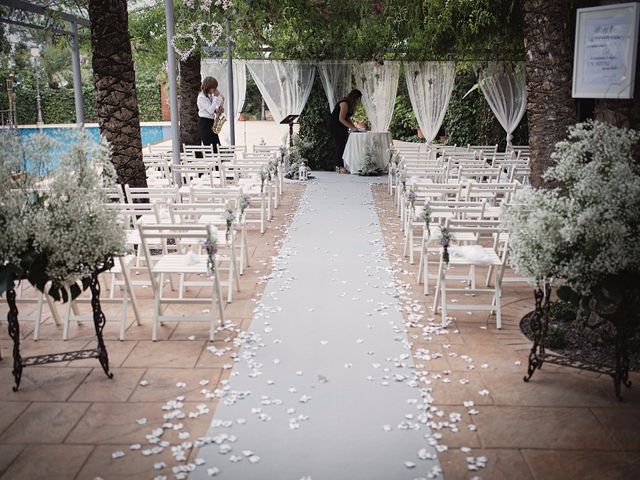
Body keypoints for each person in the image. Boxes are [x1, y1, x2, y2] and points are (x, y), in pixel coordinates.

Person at [328, 89, 363, 174]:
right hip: (335, 125)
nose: (359, 101)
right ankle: (339, 166)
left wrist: (354, 127)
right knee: (340, 145)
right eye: (358, 99)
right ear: (355, 97)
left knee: (342, 145)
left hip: (340, 125)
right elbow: (341, 119)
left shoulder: (349, 105)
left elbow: (347, 118)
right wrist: (352, 128)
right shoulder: (344, 104)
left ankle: (339, 166)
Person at [197, 76, 224, 153]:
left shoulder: (209, 96)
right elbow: (210, 111)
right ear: (208, 87)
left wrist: (218, 109)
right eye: (214, 88)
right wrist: (215, 97)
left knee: (217, 147)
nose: (215, 90)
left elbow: (213, 109)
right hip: (204, 124)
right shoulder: (201, 97)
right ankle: (213, 165)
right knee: (210, 148)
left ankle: (218, 164)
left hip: (210, 123)